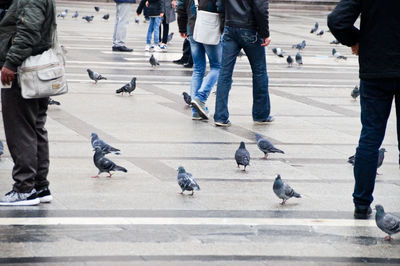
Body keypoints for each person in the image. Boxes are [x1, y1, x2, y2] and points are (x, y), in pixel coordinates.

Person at [328, 0, 400, 219]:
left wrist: (358, 40)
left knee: (370, 137)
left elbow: (336, 20)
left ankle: (361, 203)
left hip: (375, 69)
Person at [0, 0, 56, 206]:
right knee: (35, 127)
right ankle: (40, 186)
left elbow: (28, 31)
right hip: (35, 70)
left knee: (20, 129)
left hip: (23, 71)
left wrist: (10, 63)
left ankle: (25, 188)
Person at [213, 0, 273, 127]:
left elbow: (220, 4)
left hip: (230, 27)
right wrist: (265, 33)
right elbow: (261, 8)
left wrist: (225, 24)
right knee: (259, 72)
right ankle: (260, 115)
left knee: (224, 73)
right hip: (250, 28)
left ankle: (220, 116)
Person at [177, 0, 224, 120]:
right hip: (210, 27)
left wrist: (182, 28)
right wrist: (223, 28)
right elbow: (221, 6)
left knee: (198, 69)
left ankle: (196, 111)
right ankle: (201, 98)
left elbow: (181, 6)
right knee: (217, 66)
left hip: (192, 28)